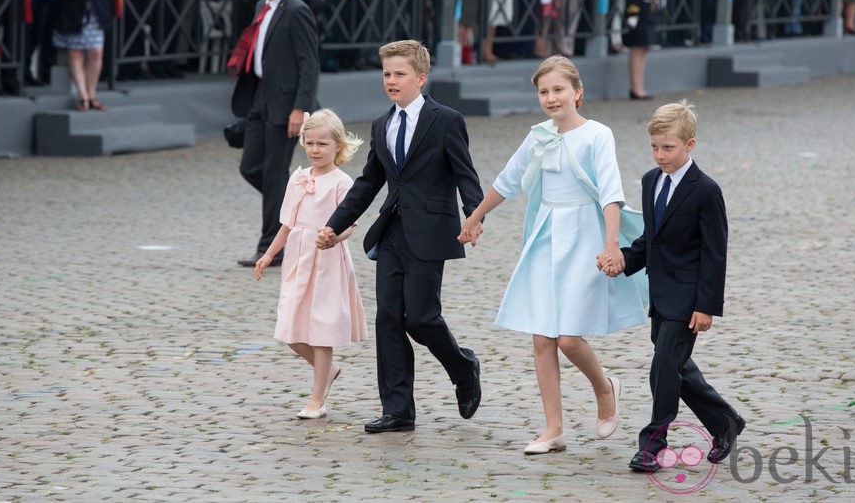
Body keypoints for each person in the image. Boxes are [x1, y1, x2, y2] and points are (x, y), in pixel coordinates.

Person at [458, 56, 647, 454]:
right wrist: (475, 216)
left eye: (558, 89)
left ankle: (605, 386)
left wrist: (612, 245)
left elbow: (611, 192)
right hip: (546, 235)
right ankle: (553, 428)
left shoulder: (598, 134)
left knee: (567, 337)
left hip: (585, 236)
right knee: (542, 335)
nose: (551, 97)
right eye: (544, 91)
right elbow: (507, 181)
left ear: (578, 93)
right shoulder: (538, 135)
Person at [317, 39, 484, 434]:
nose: (391, 81)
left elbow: (465, 172)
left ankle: (463, 367)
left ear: (420, 78)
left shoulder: (446, 120)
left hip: (432, 231)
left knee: (422, 317)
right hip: (392, 231)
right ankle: (398, 409)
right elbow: (368, 182)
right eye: (387, 74)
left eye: (399, 74)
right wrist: (334, 224)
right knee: (389, 318)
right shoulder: (382, 124)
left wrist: (474, 215)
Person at [598, 101, 745, 473]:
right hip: (661, 294)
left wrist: (707, 305)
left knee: (663, 366)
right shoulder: (650, 181)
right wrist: (624, 262)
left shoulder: (706, 190)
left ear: (690, 145)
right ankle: (725, 421)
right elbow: (652, 240)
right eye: (655, 147)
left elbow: (715, 253)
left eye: (669, 148)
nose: (660, 155)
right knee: (676, 366)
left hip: (689, 298)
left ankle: (652, 445)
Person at [254, 108, 368, 420]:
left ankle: (317, 398)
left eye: (322, 144)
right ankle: (327, 370)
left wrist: (334, 237)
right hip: (298, 256)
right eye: (310, 143)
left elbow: (349, 224)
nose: (315, 150)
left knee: (321, 328)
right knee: (290, 328)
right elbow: (287, 224)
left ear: (338, 147)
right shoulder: (298, 178)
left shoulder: (342, 182)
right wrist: (268, 253)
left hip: (327, 259)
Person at [235, 0, 320, 267]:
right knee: (250, 167)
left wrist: (300, 107)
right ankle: (297, 209)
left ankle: (271, 247)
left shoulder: (297, 11)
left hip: (285, 104)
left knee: (272, 174)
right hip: (260, 97)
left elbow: (309, 64)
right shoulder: (262, 6)